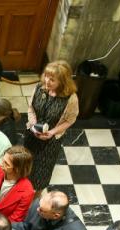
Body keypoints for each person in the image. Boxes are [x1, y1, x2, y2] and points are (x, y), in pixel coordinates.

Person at [24, 60, 79, 192]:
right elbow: (31, 108)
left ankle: (34, 196)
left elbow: (70, 120)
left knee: (41, 172)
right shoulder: (39, 88)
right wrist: (33, 125)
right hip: (32, 135)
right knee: (26, 165)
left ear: (62, 81)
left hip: (50, 143)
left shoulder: (70, 98)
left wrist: (52, 132)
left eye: (52, 79)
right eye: (46, 76)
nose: (47, 81)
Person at [0, 145, 35, 222]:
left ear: (17, 169)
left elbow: (15, 219)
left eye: (6, 163)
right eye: (3, 160)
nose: (1, 164)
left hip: (1, 224)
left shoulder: (27, 192)